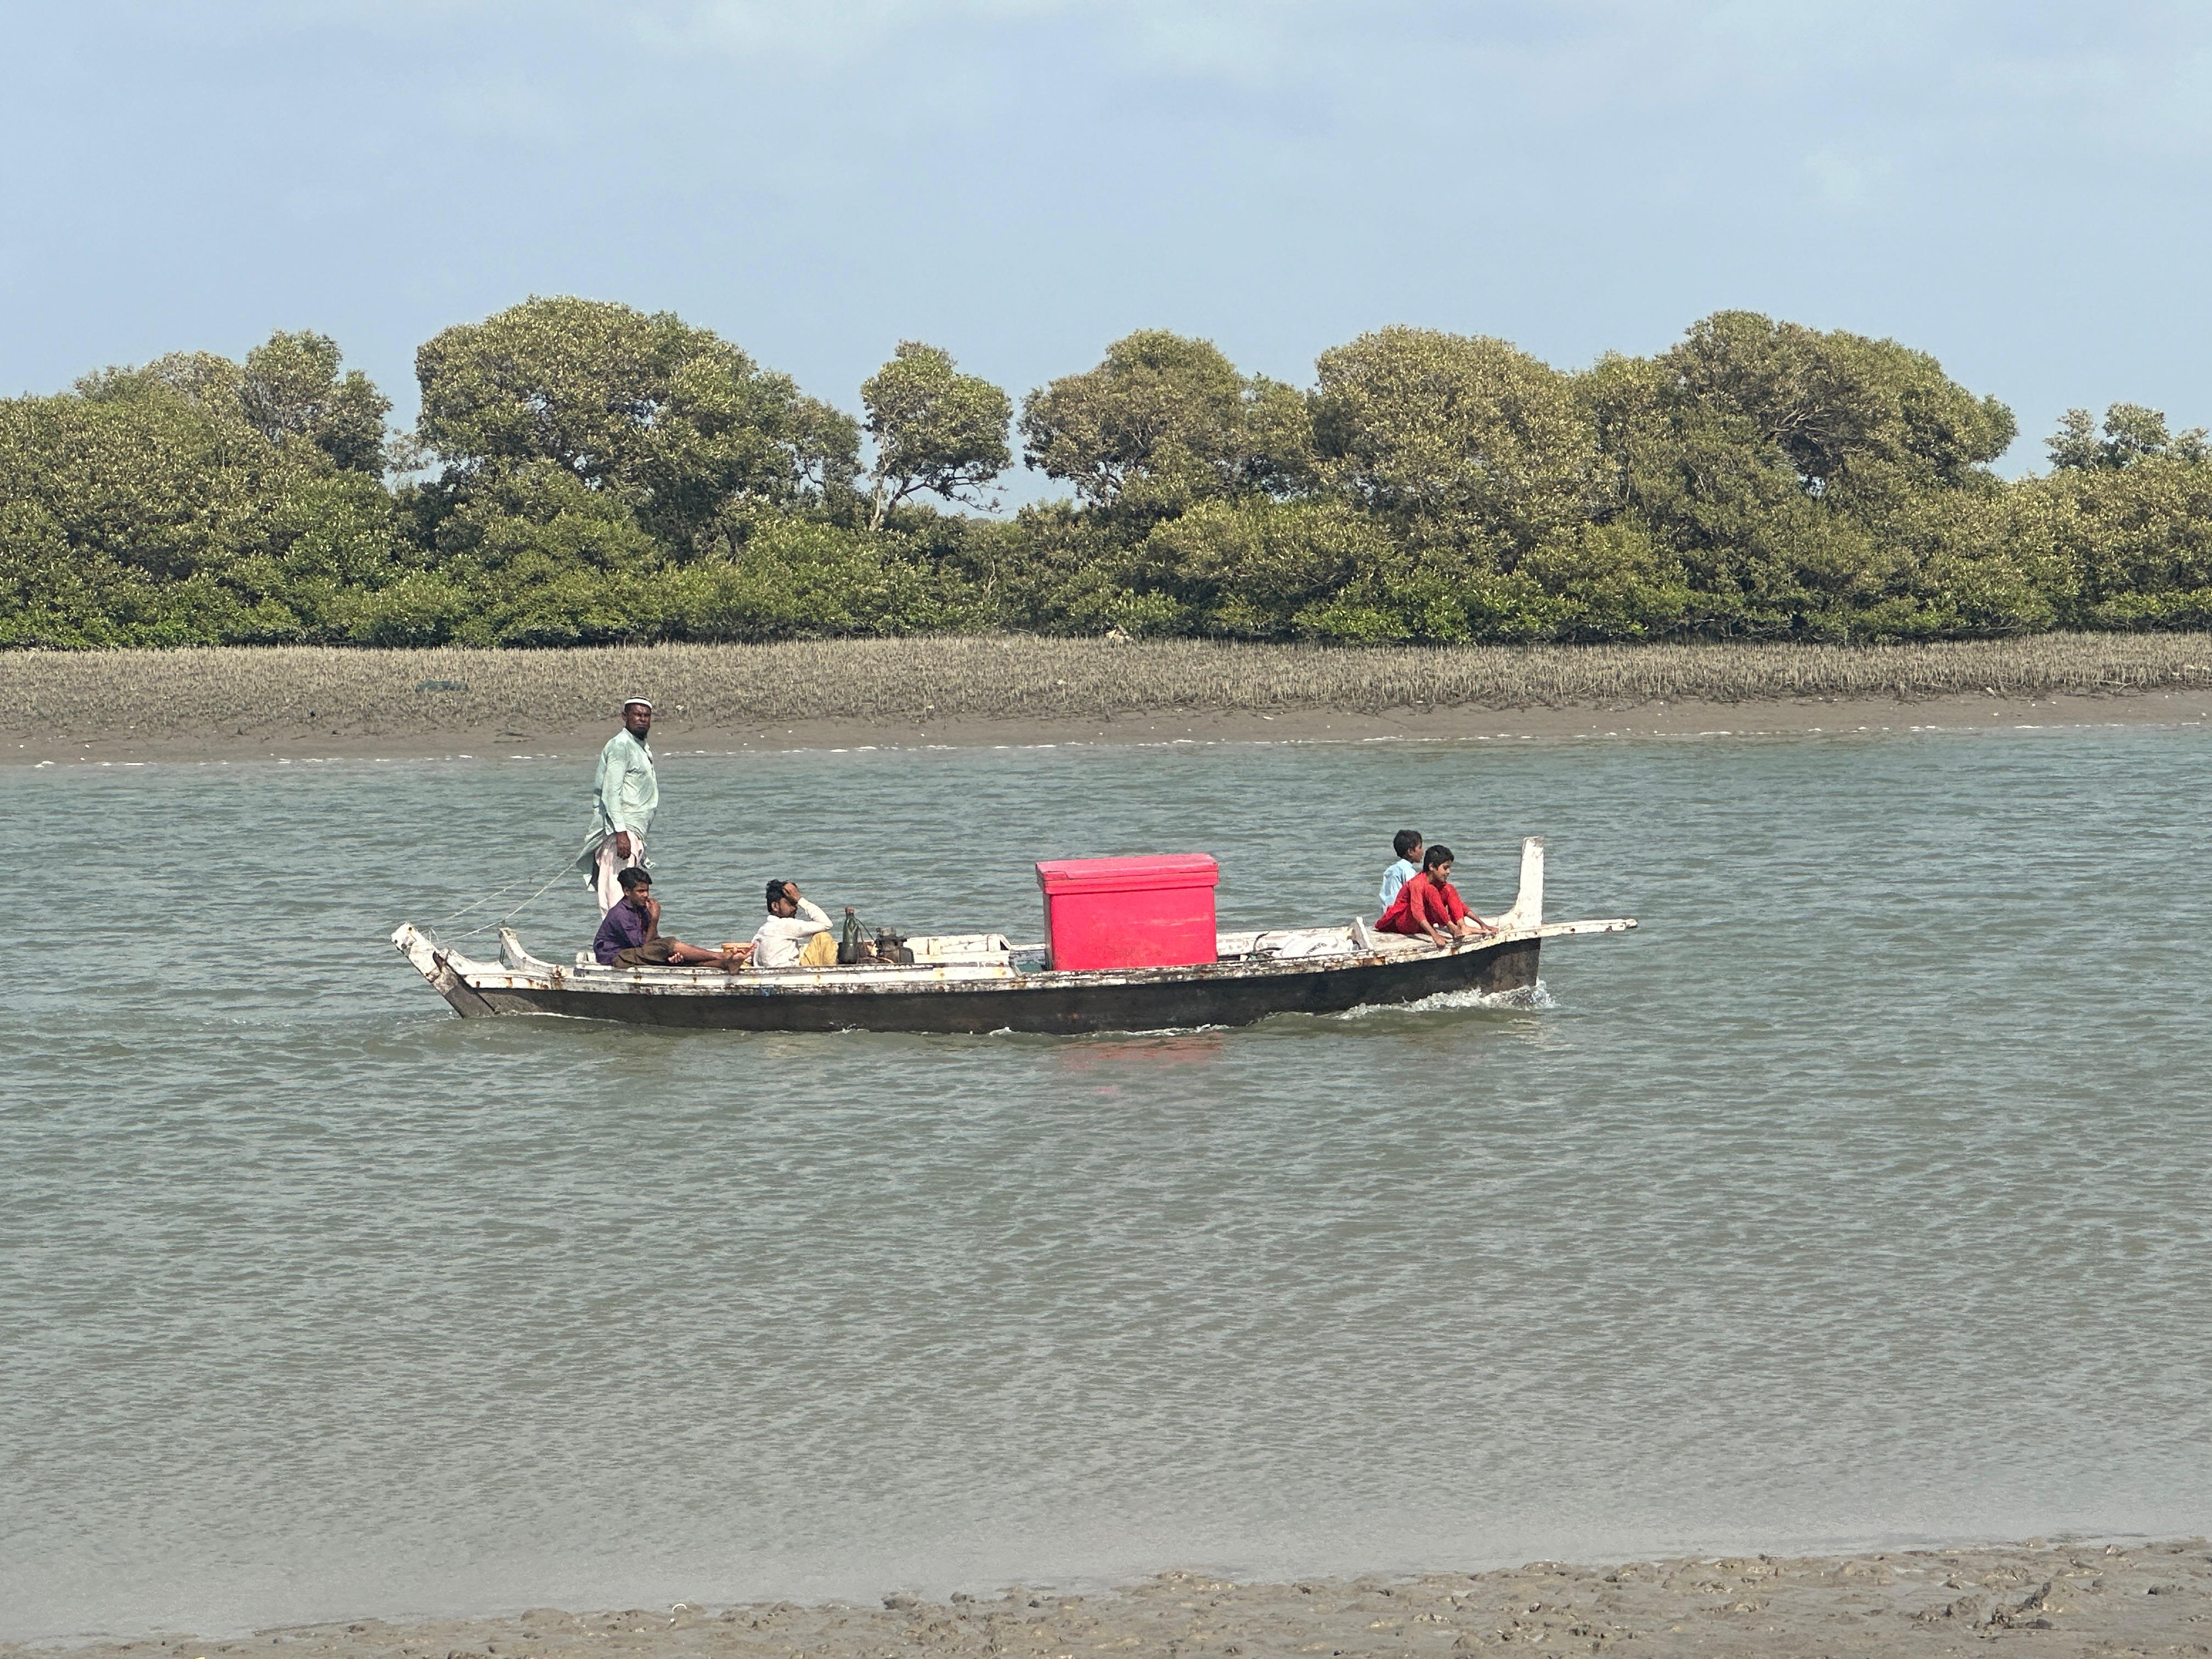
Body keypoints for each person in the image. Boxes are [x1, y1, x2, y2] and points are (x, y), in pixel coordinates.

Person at [592, 867, 746, 969]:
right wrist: (655, 919)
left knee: (680, 958)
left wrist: (670, 954)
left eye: (647, 891)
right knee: (668, 945)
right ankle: (721, 956)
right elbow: (644, 946)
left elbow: (651, 941)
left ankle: (725, 964)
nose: (646, 895)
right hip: (617, 957)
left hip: (635, 952)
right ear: (627, 891)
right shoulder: (620, 914)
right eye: (640, 891)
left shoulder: (641, 907)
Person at [588, 698, 658, 913]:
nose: (642, 720)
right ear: (625, 717)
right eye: (637, 715)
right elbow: (611, 793)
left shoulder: (640, 747)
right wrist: (621, 833)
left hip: (634, 830)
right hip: (621, 831)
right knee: (618, 894)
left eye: (646, 716)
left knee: (632, 893)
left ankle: (631, 941)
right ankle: (615, 945)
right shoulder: (620, 746)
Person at [1375, 843, 1496, 947]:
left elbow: (1460, 905)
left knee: (1450, 889)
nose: (1448, 872)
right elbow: (1417, 912)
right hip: (1406, 923)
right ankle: (1452, 928)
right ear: (1432, 867)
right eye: (1445, 868)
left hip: (1421, 923)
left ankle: (1462, 926)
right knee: (1432, 891)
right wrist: (1435, 935)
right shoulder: (1418, 883)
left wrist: (1482, 924)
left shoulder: (1439, 884)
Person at [751, 879, 839, 968]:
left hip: (769, 973)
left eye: (795, 904)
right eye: (790, 903)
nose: (795, 908)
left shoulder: (763, 930)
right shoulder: (786, 924)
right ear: (775, 906)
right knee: (822, 937)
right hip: (787, 972)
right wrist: (800, 899)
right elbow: (827, 924)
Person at [1379, 828, 1424, 907]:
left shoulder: (1390, 870)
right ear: (1410, 851)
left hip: (1388, 914)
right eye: (1420, 848)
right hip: (1400, 914)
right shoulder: (1408, 870)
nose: (1422, 851)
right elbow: (1414, 893)